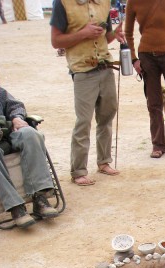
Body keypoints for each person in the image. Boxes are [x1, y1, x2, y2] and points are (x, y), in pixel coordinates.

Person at [50, 0, 124, 186]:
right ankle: (78, 170)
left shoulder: (104, 3)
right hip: (82, 70)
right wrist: (83, 34)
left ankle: (104, 161)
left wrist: (115, 34)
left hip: (105, 67)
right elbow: (56, 40)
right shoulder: (63, 3)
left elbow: (105, 38)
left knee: (106, 117)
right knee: (83, 121)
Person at [124, 0, 165, 159]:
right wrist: (134, 58)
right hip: (147, 57)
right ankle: (158, 144)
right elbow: (127, 33)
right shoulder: (132, 2)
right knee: (153, 103)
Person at [0, 85, 60, 229]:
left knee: (31, 134)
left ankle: (40, 197)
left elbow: (15, 105)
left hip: (6, 133)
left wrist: (16, 118)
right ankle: (15, 207)